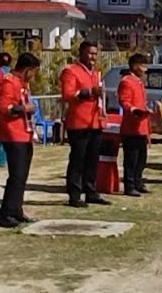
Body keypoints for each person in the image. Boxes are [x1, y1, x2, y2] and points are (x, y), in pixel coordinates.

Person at [0, 53, 41, 228]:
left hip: (25, 133)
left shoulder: (23, 84)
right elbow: (4, 107)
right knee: (16, 176)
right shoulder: (9, 82)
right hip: (12, 134)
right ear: (27, 69)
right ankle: (6, 214)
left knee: (22, 176)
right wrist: (23, 108)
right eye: (33, 72)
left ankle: (16, 210)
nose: (34, 76)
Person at [60, 41, 108, 208]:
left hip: (94, 121)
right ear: (81, 53)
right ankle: (74, 194)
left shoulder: (95, 73)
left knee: (92, 159)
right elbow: (68, 94)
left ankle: (91, 191)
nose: (93, 57)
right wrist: (88, 92)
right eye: (90, 53)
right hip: (79, 122)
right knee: (77, 160)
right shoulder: (71, 71)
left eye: (95, 54)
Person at [117, 53, 153, 198]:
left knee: (141, 158)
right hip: (131, 127)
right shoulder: (127, 81)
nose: (145, 69)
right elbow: (124, 101)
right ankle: (129, 185)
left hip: (141, 126)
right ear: (135, 66)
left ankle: (138, 182)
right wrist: (134, 110)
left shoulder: (138, 82)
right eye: (143, 66)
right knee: (131, 159)